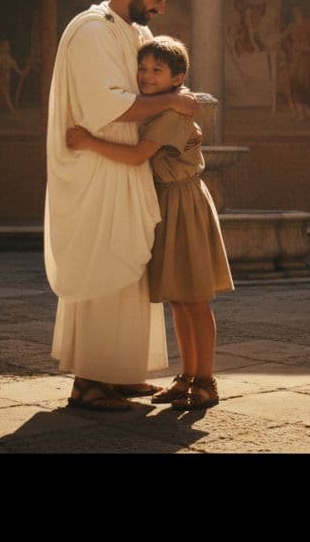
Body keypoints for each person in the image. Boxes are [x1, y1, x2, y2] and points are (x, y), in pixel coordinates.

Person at [43, 0, 200, 412]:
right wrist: (174, 103)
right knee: (106, 264)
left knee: (130, 270)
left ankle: (120, 374)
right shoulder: (91, 30)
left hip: (127, 168)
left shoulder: (137, 32)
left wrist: (174, 98)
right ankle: (90, 381)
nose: (160, 7)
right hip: (101, 169)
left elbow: (151, 89)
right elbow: (110, 106)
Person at [67, 36, 233, 410]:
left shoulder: (173, 113)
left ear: (178, 78)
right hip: (166, 204)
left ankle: (206, 380)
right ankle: (186, 376)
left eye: (157, 70)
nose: (146, 75)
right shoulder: (159, 107)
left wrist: (88, 142)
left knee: (195, 299)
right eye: (142, 68)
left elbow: (138, 156)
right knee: (178, 298)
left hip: (183, 204)